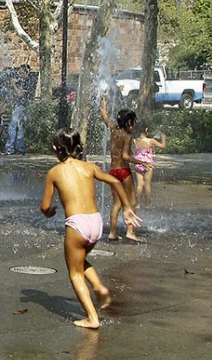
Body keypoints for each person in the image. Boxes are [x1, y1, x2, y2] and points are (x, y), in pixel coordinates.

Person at [40, 128, 141, 329]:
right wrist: (127, 208)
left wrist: (50, 212)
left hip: (77, 224)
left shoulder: (54, 172)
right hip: (96, 222)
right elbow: (114, 180)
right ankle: (99, 288)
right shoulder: (89, 167)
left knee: (74, 272)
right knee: (79, 261)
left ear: (55, 149)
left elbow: (45, 207)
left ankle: (91, 317)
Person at [100, 98, 142, 242]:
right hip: (123, 171)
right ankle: (130, 231)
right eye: (134, 122)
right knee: (132, 202)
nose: (135, 125)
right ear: (129, 123)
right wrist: (140, 161)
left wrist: (104, 104)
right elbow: (125, 156)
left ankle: (112, 232)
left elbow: (105, 118)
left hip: (113, 171)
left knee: (117, 203)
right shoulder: (127, 136)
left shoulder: (114, 131)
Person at [132, 123, 166, 211]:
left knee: (139, 185)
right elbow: (162, 146)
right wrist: (163, 138)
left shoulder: (135, 141)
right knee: (147, 185)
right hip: (148, 164)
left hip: (138, 163)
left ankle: (138, 204)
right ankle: (147, 204)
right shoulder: (151, 141)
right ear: (146, 130)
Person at [5, 64, 34, 155]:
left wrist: (14, 85)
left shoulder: (27, 82)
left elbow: (20, 94)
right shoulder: (22, 81)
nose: (18, 72)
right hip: (19, 106)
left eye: (20, 71)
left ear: (25, 71)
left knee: (13, 126)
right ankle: (20, 149)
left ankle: (10, 148)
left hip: (21, 107)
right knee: (19, 127)